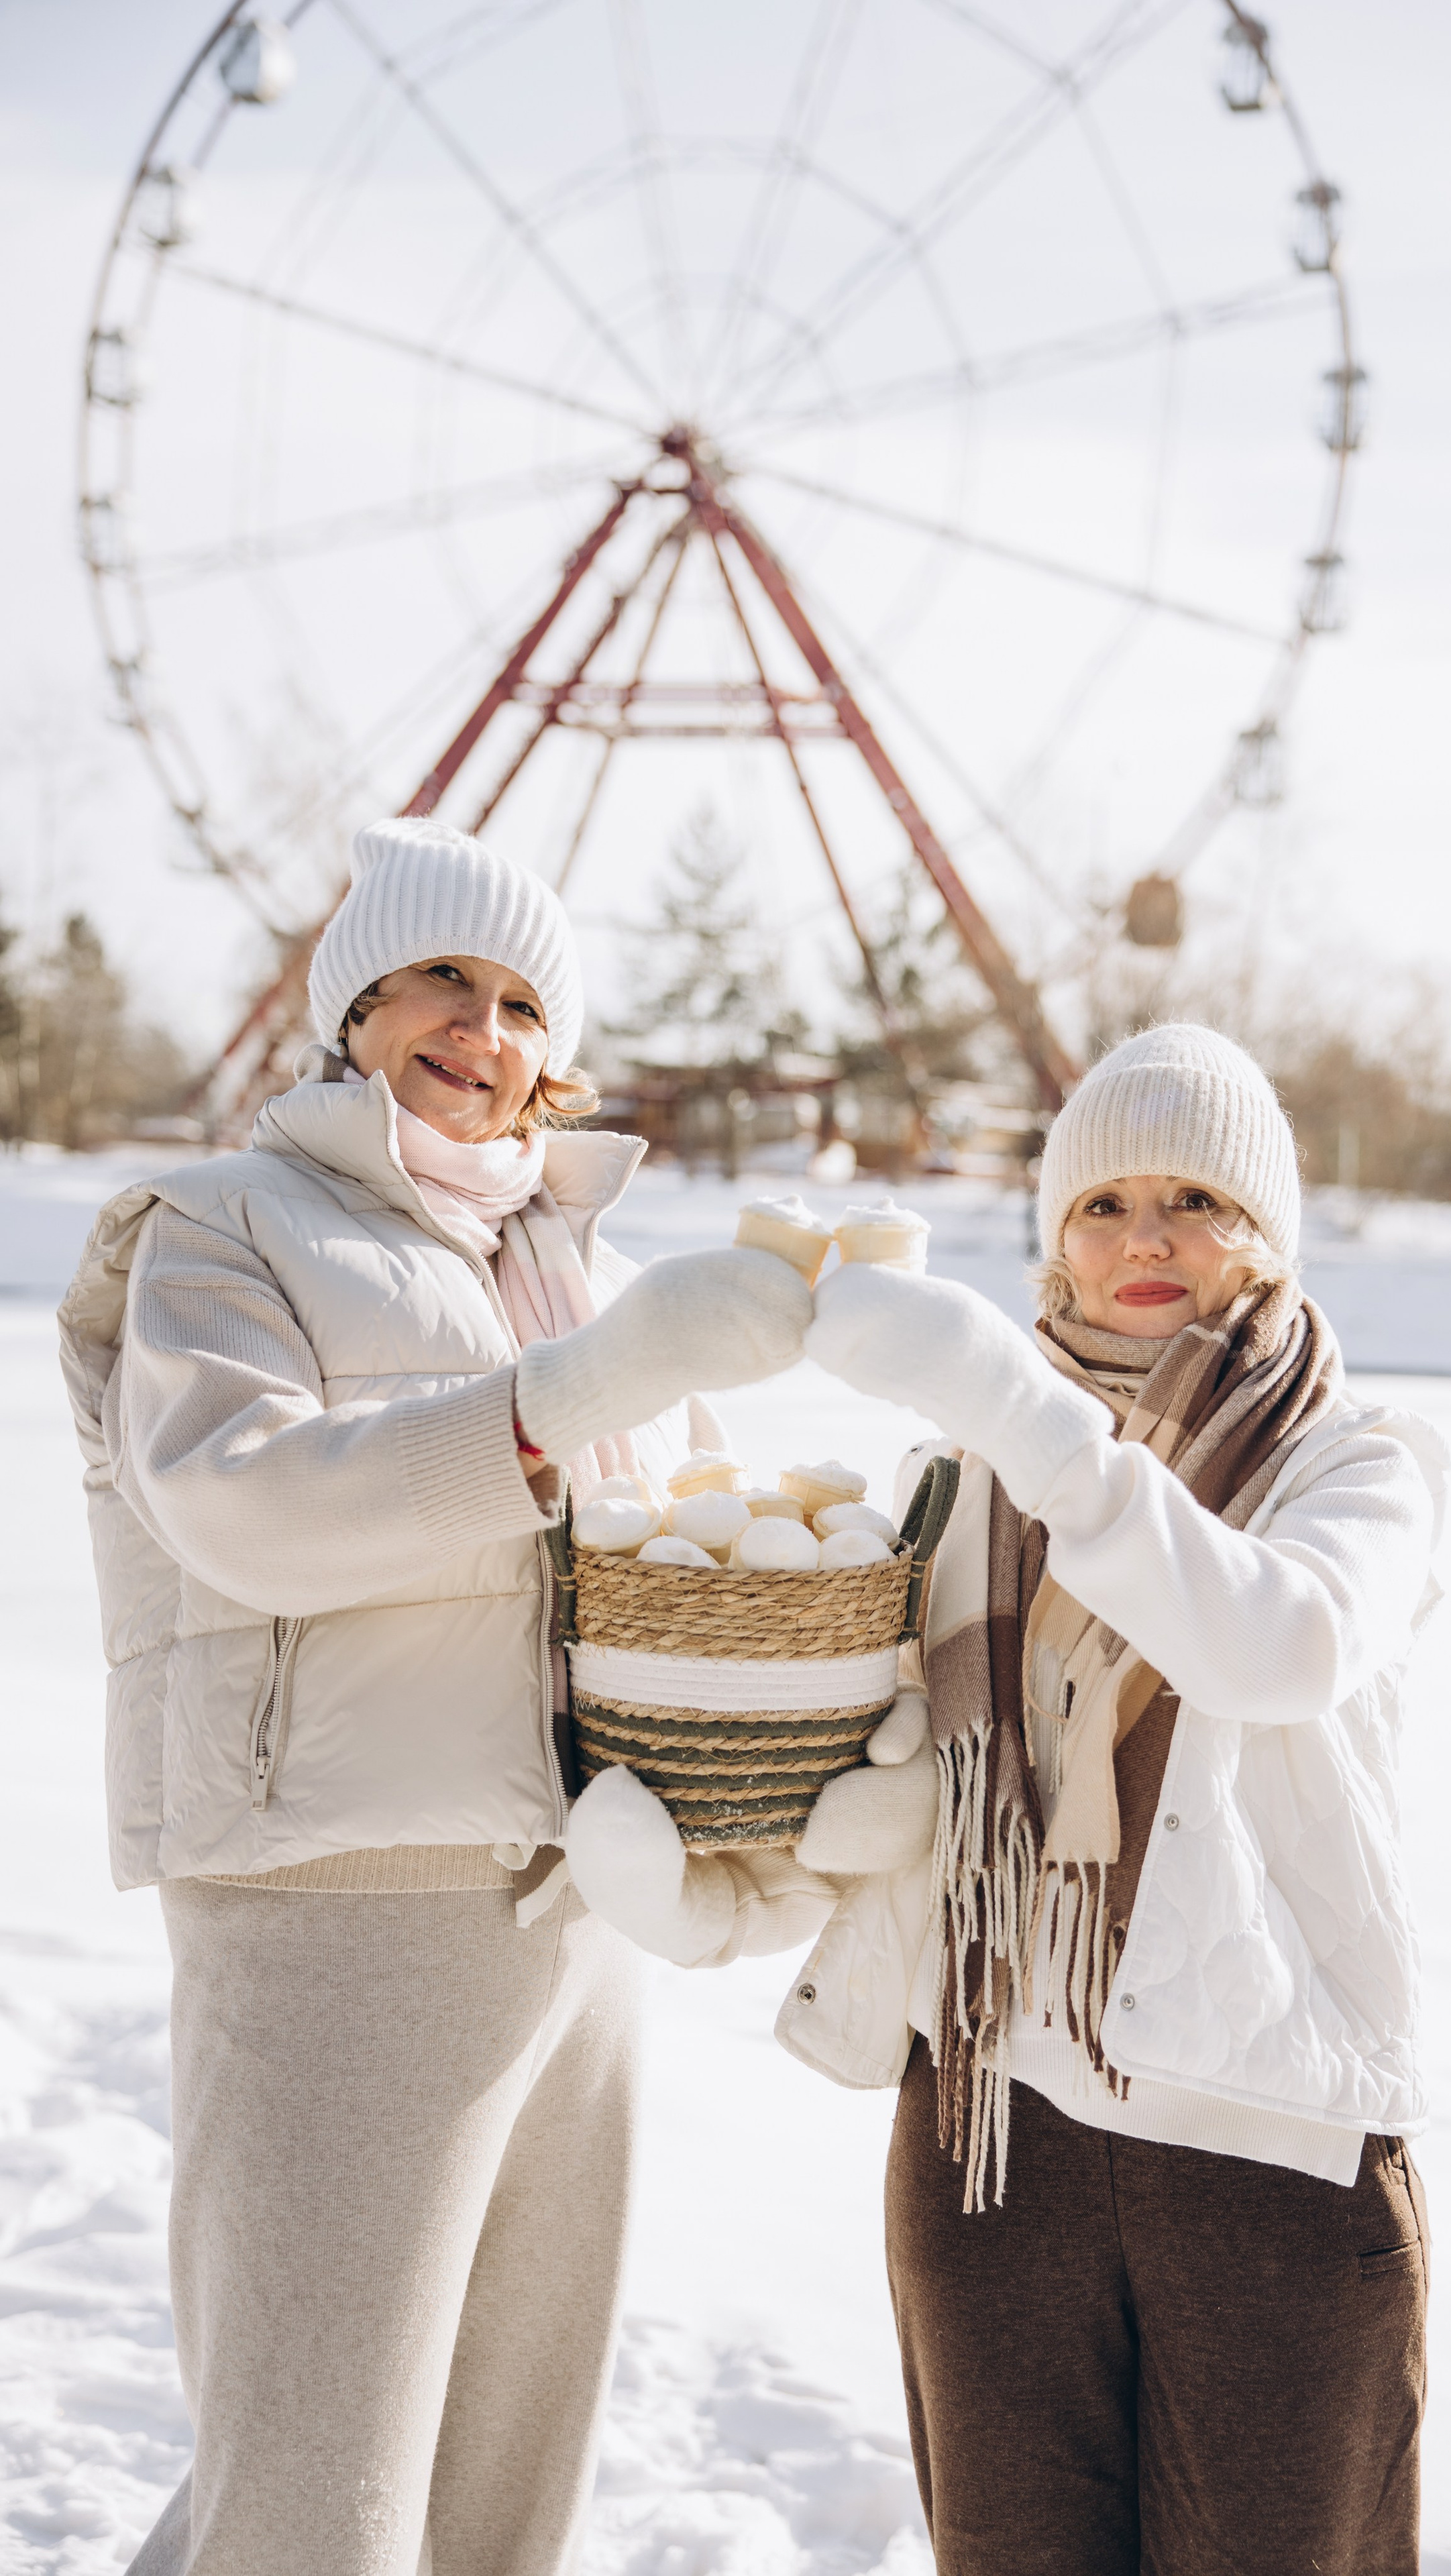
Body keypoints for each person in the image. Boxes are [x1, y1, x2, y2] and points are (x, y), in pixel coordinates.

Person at [572, 1022, 1447, 2576]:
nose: (1146, 1241)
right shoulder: (963, 1474)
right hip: (988, 2138)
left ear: (1269, 1237)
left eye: (1198, 1201)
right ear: (1052, 1236)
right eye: (1102, 1205)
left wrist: (1018, 1415)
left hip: (1268, 2167)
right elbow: (889, 1798)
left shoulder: (1358, 1465)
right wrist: (719, 1888)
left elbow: (1273, 1644)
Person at [57, 816, 817, 2576]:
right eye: (441, 983)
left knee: (502, 2469)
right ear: (355, 1009)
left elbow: (679, 1555)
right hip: (339, 1901)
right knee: (314, 2480)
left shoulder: (589, 1270)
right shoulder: (228, 1227)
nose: (486, 1029)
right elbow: (244, 1499)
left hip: (579, 1906)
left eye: (525, 1001)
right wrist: (550, 1409)